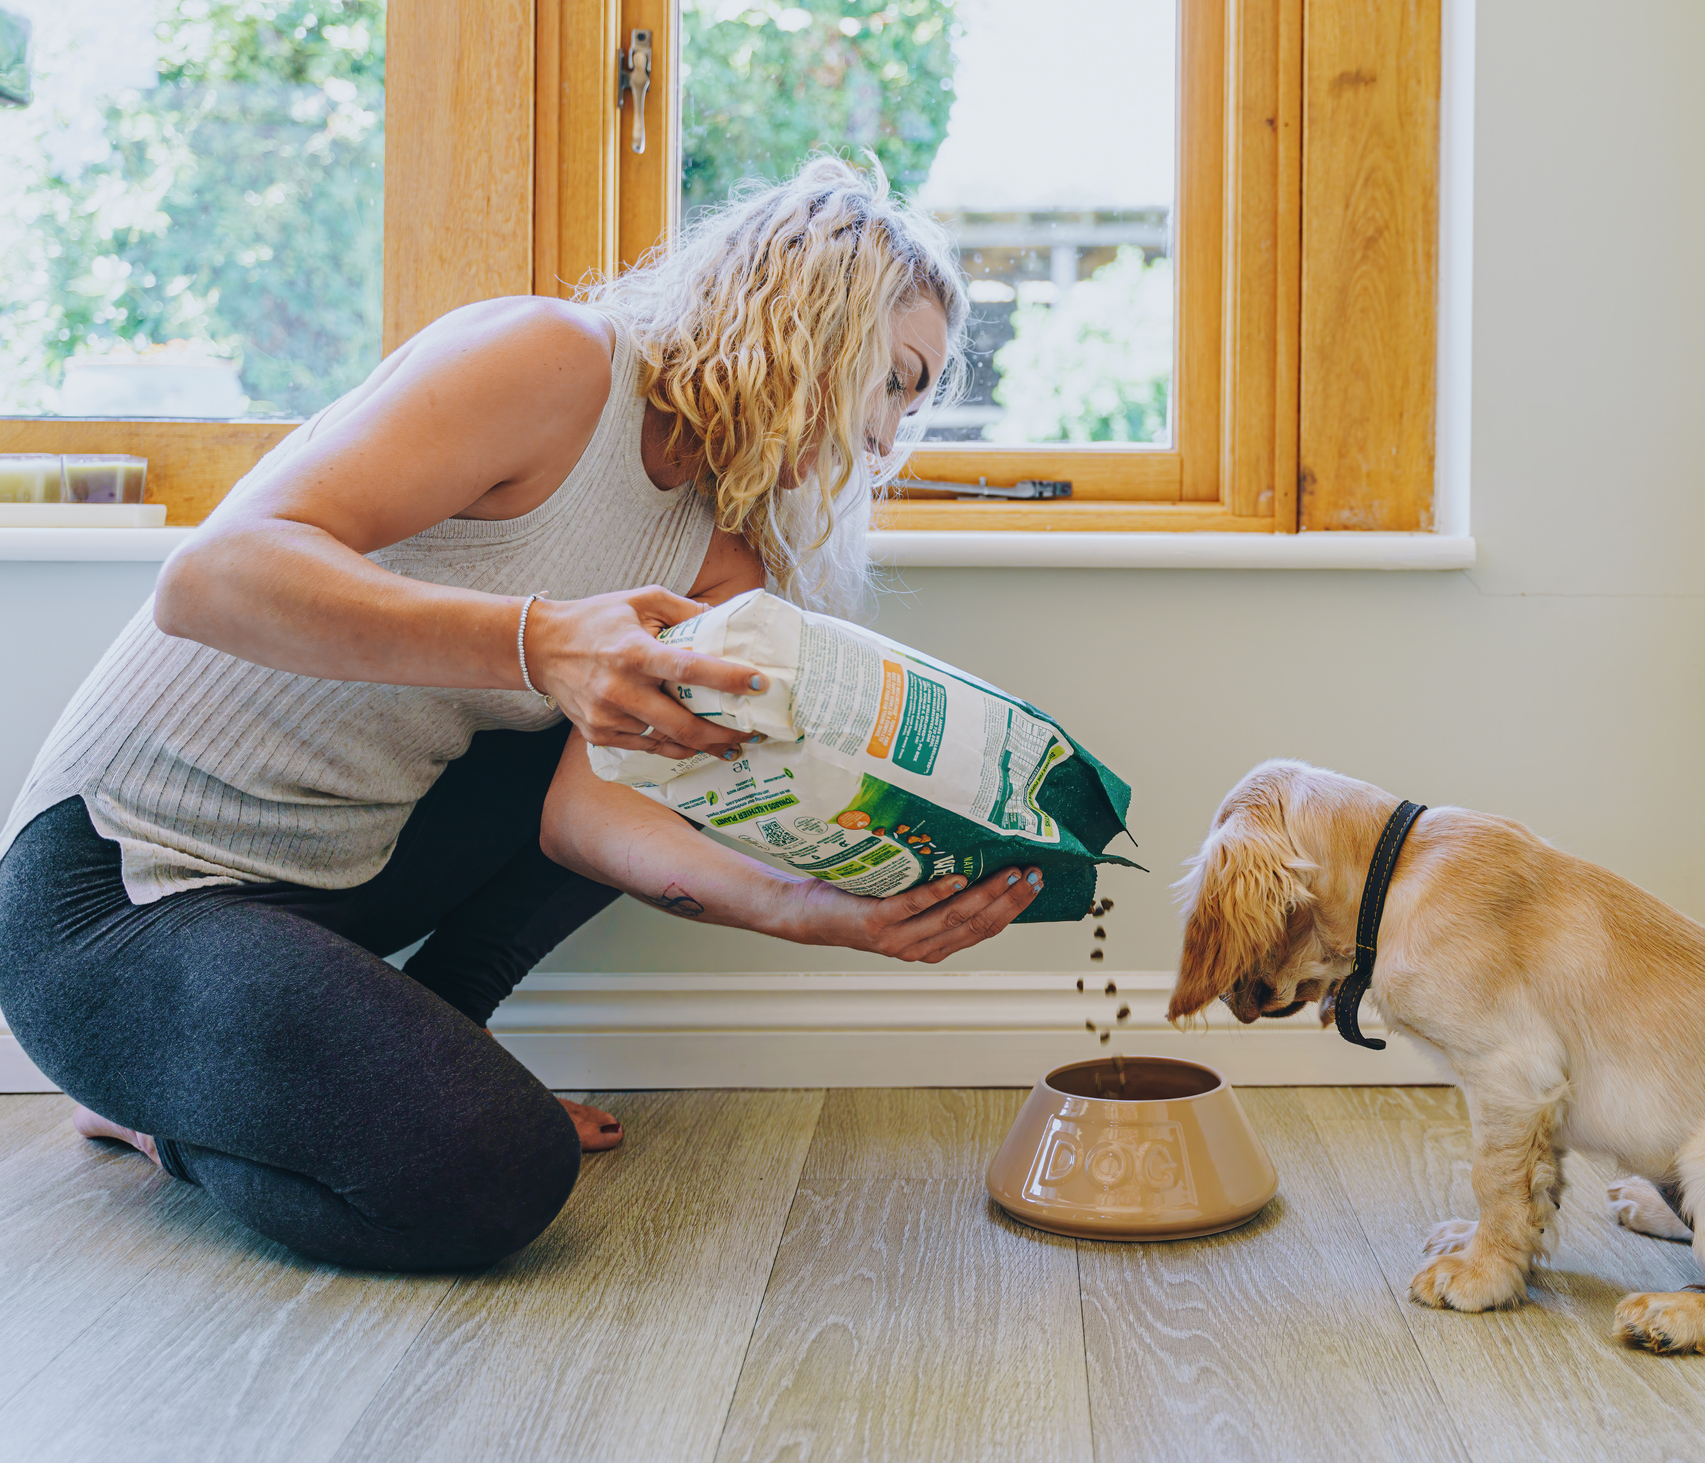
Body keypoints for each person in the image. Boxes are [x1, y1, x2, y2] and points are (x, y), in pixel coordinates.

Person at [0, 158, 1042, 1271]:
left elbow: (582, 821)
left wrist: (809, 910)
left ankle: (431, 1028)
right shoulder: (552, 364)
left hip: (329, 893)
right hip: (116, 893)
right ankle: (162, 1109)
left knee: (675, 724)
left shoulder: (724, 560)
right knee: (503, 1172)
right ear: (815, 327)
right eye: (894, 381)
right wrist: (538, 639)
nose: (883, 442)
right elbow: (208, 579)